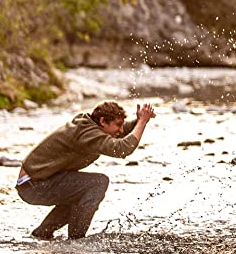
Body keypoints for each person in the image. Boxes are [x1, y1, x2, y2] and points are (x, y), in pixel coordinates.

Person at [16, 101, 155, 240]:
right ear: (102, 121)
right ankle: (77, 240)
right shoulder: (87, 134)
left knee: (81, 191)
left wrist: (139, 119)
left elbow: (120, 132)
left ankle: (42, 234)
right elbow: (122, 149)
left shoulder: (89, 125)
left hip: (36, 182)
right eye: (118, 125)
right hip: (33, 186)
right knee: (98, 183)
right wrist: (142, 122)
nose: (121, 130)